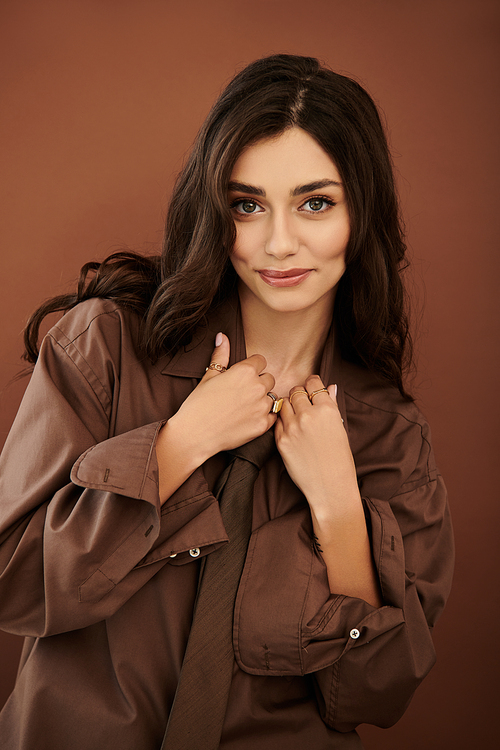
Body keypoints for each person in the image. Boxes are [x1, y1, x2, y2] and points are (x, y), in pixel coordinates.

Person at [0, 54, 453, 749]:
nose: (278, 241)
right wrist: (178, 446)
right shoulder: (107, 347)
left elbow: (375, 694)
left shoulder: (391, 437)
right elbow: (13, 582)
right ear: (215, 210)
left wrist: (339, 511)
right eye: (248, 205)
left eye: (315, 203)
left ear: (361, 213)